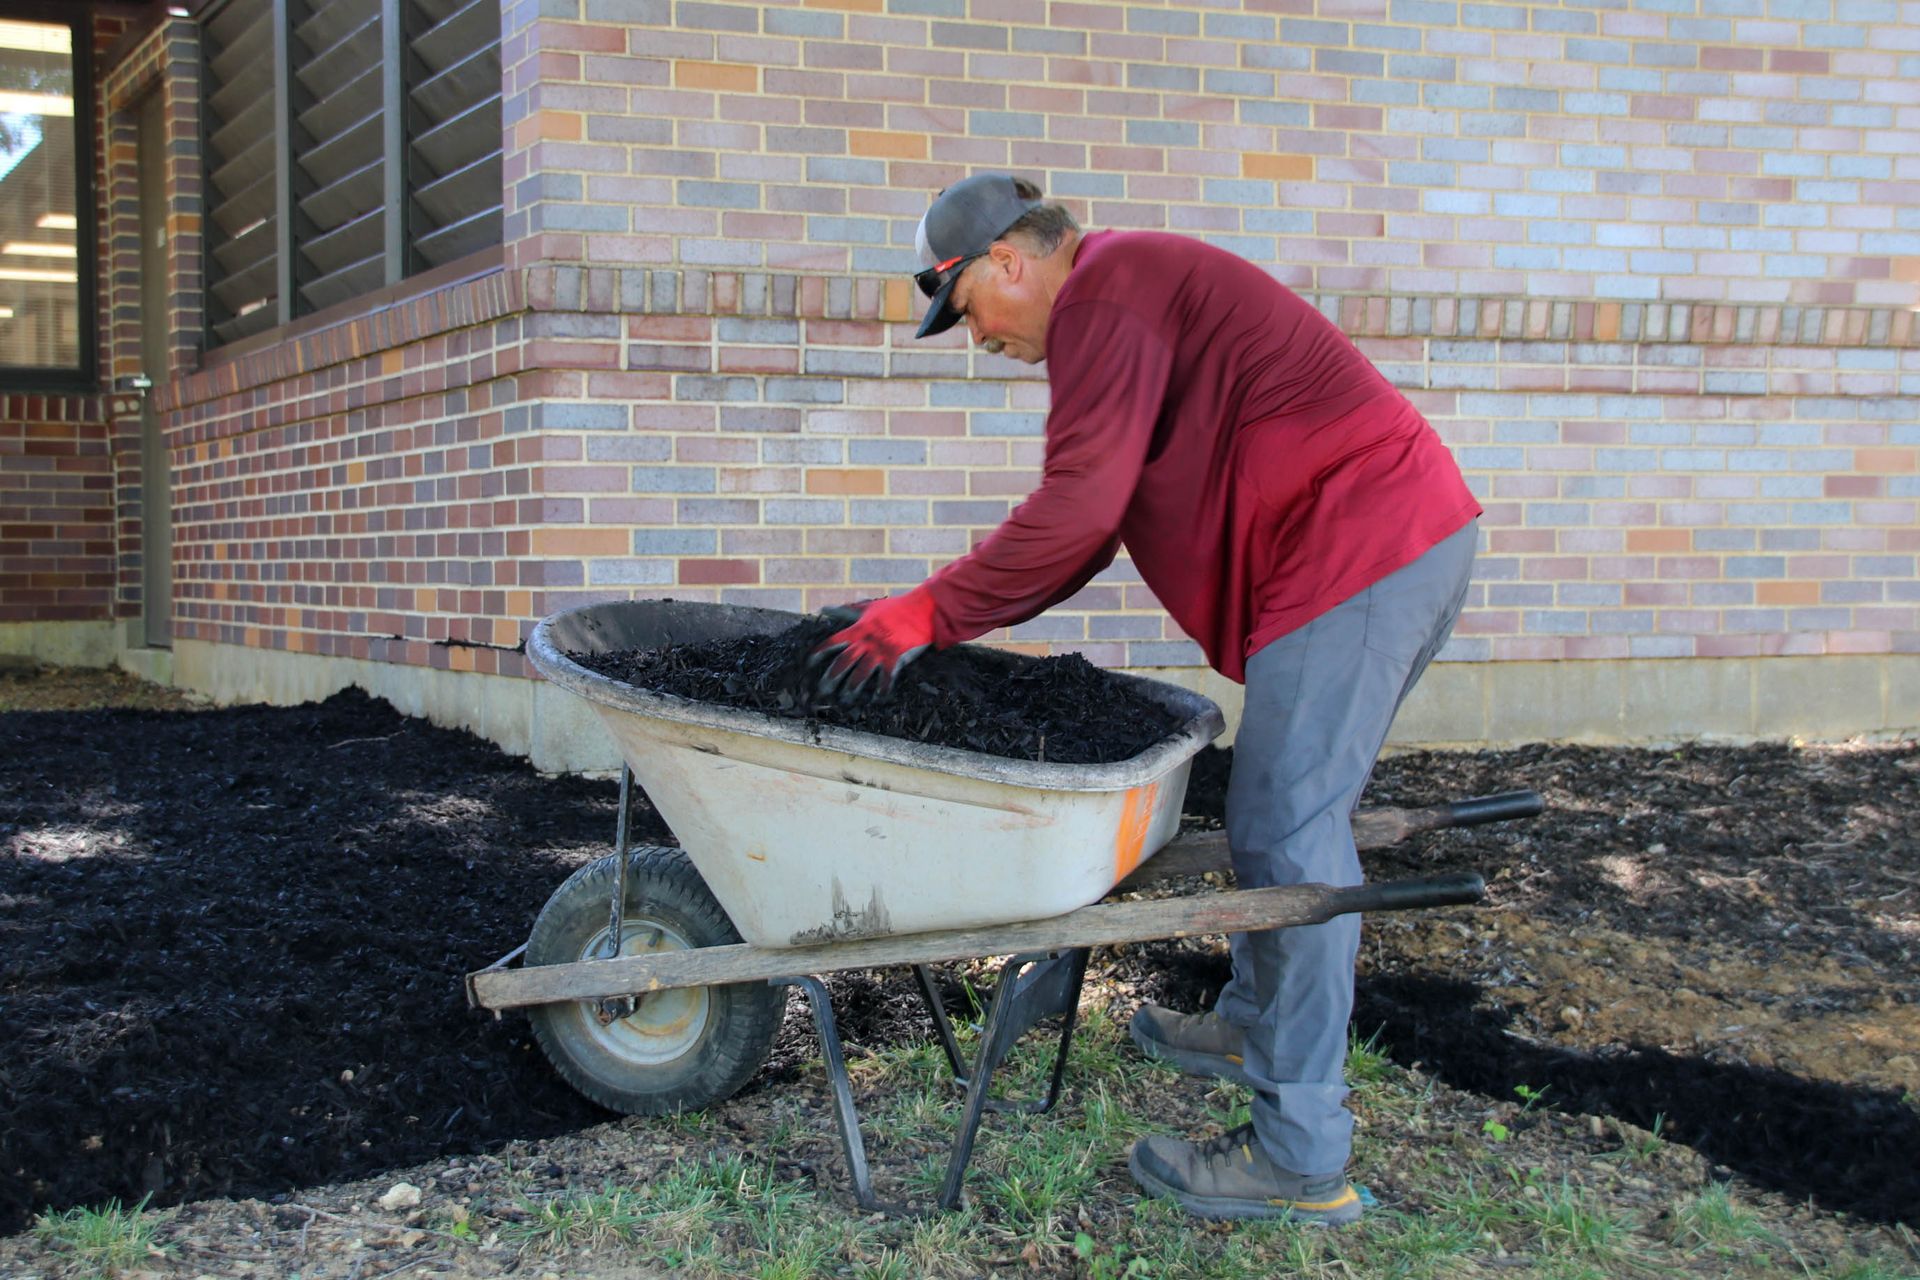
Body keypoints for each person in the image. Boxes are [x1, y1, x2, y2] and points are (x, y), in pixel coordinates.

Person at [812, 173, 1482, 1224]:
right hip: (1371, 548)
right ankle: (1256, 1026)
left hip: (1364, 549)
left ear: (1008, 263)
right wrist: (948, 608)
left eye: (968, 310)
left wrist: (927, 612)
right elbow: (1094, 520)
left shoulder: (1106, 297)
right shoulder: (1122, 295)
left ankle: (1301, 1160)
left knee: (1294, 839)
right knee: (1275, 817)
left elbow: (1077, 511)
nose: (976, 337)